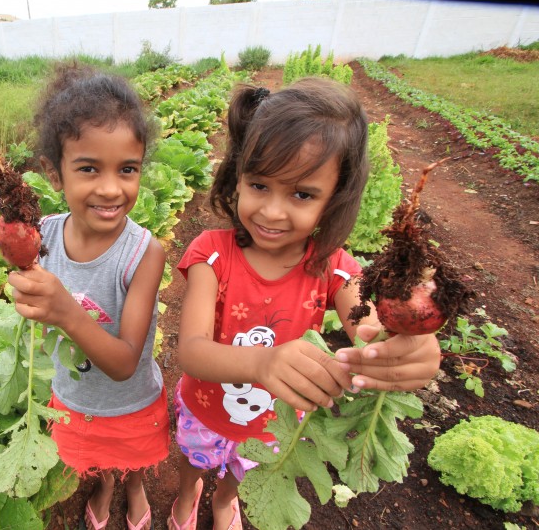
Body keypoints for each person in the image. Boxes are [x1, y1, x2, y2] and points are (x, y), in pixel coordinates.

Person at [167, 77, 442, 530]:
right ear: (237, 176)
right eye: (258, 185)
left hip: (274, 423)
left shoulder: (333, 268)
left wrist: (405, 346)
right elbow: (192, 351)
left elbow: (370, 331)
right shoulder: (211, 254)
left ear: (335, 198)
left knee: (242, 472)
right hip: (207, 407)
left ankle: (222, 503)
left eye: (301, 194)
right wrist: (260, 364)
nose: (273, 212)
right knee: (194, 461)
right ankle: (185, 498)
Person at [7, 62, 168, 530]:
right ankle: (105, 485)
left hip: (130, 399)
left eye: (128, 169)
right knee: (96, 462)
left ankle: (134, 486)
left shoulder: (144, 253)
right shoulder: (42, 238)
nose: (111, 188)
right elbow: (30, 295)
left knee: (135, 458)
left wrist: (66, 312)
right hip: (74, 396)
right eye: (88, 169)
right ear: (53, 174)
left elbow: (122, 364)